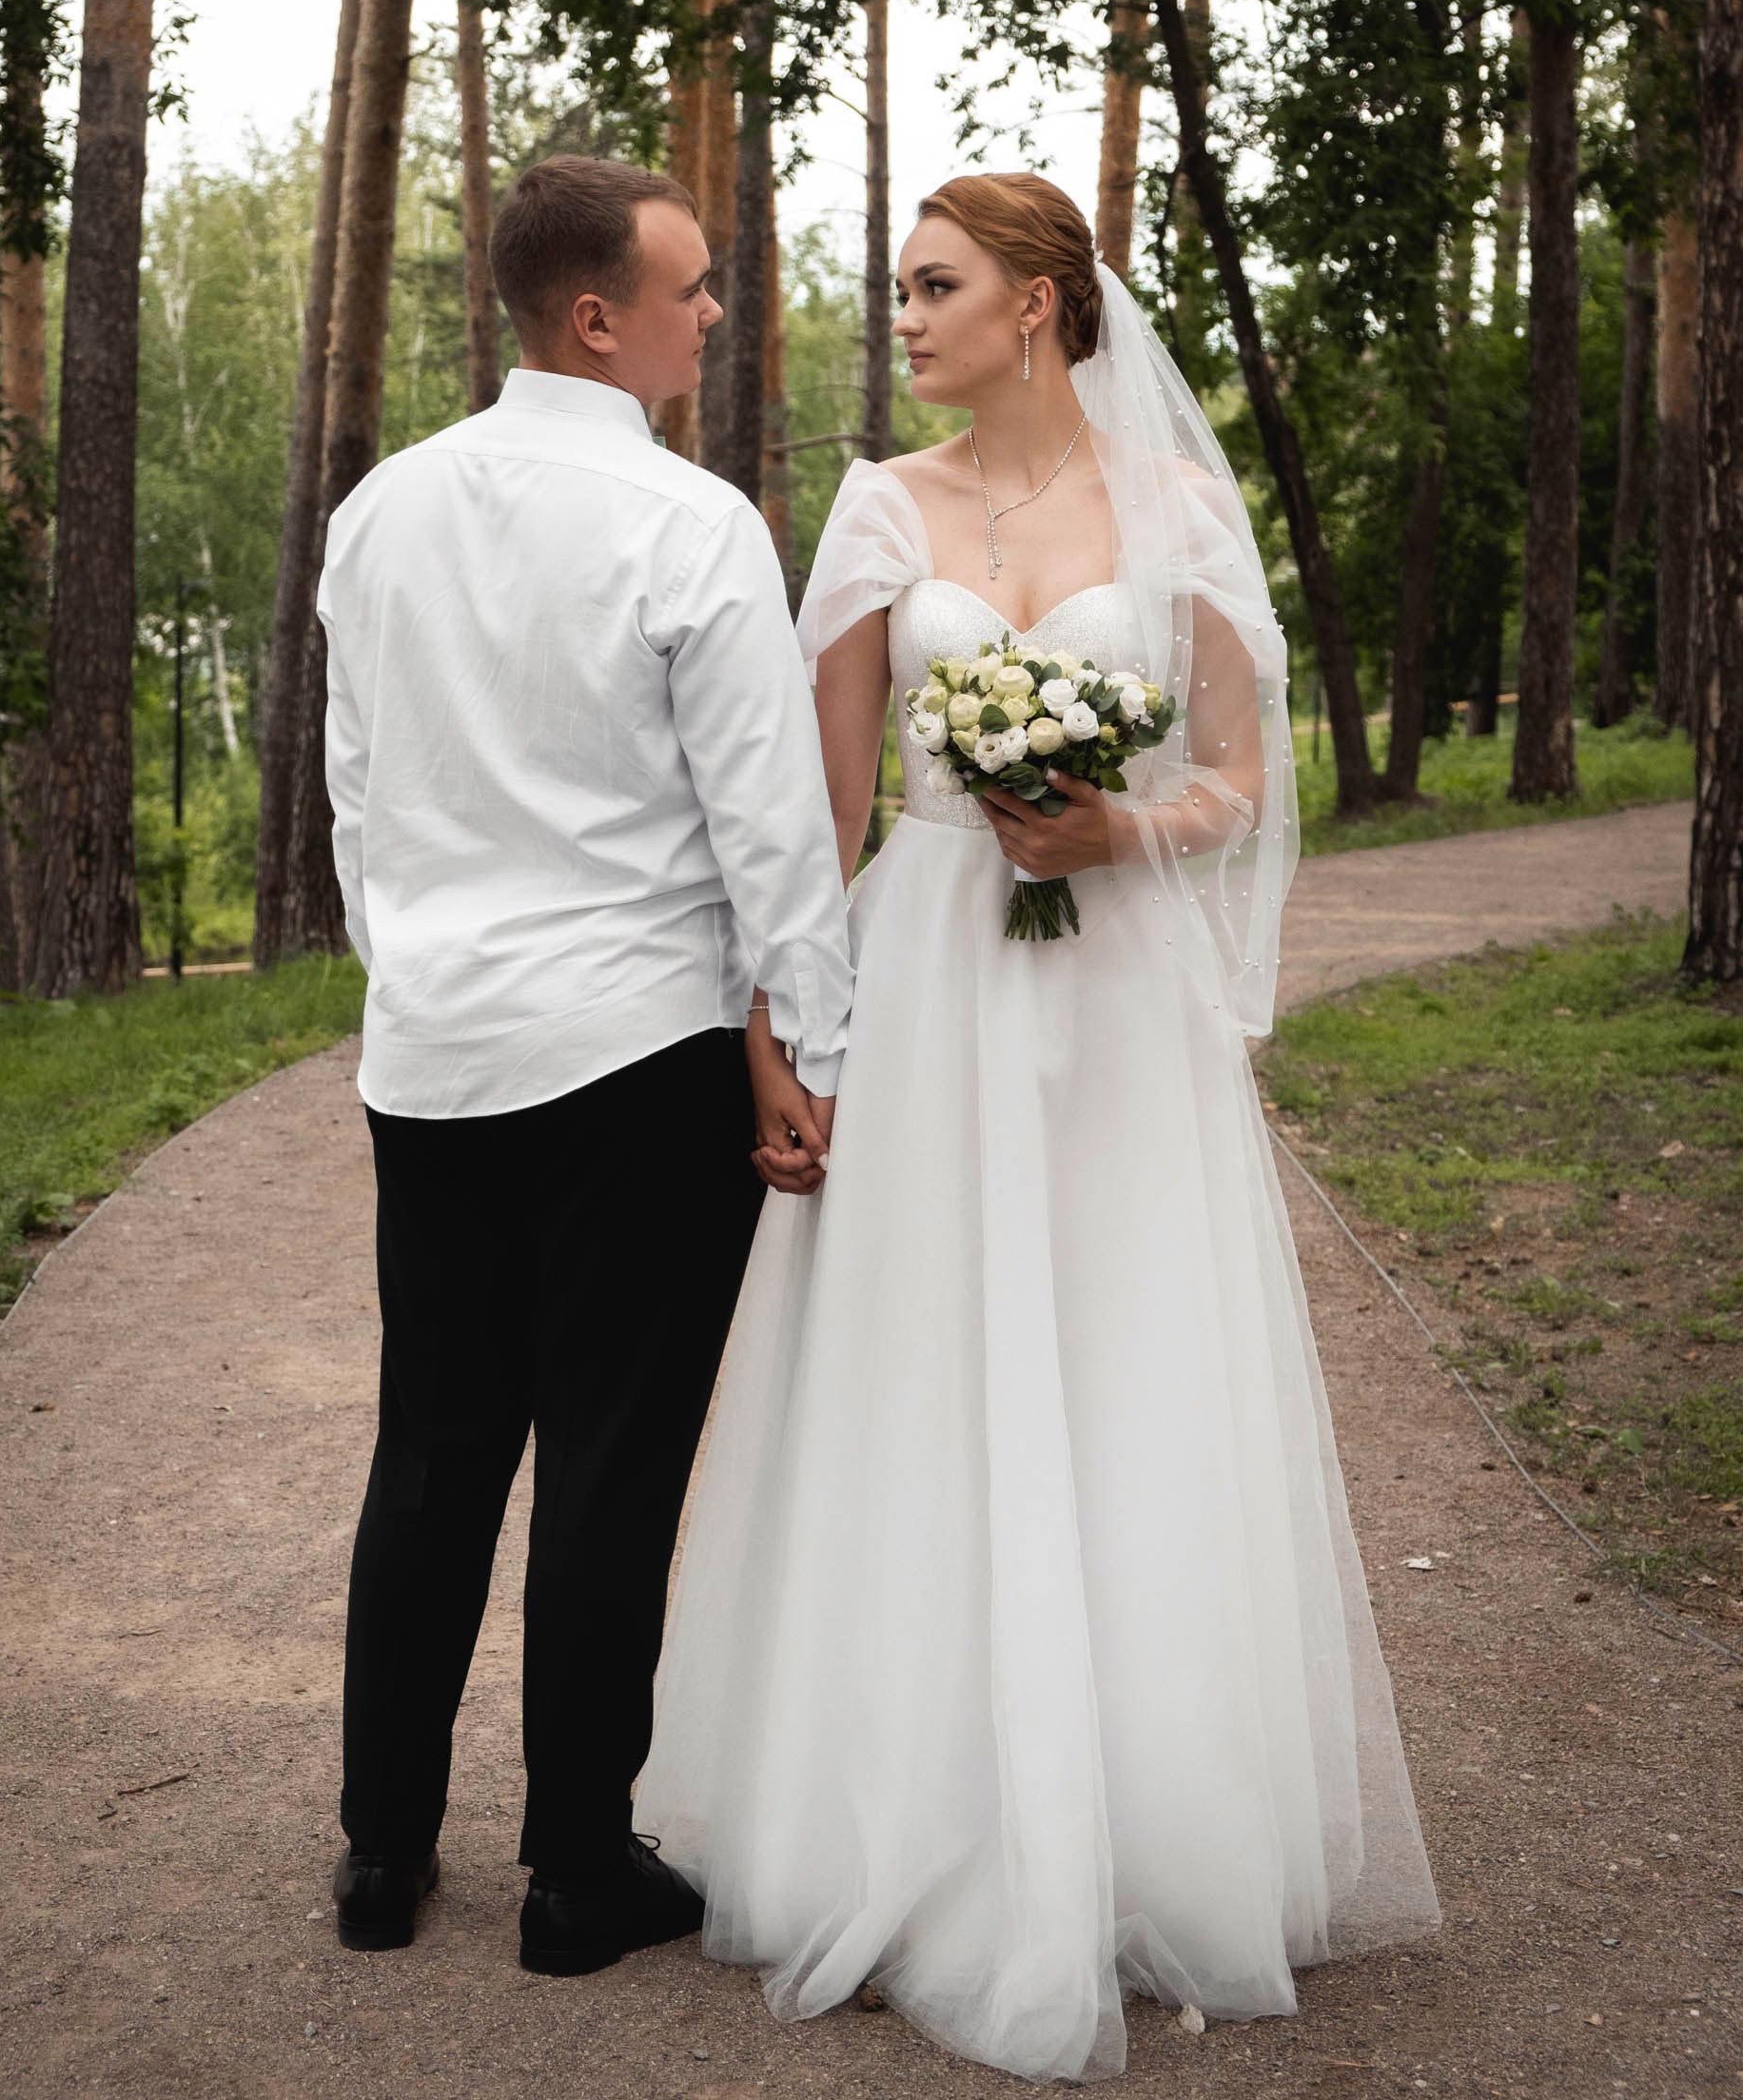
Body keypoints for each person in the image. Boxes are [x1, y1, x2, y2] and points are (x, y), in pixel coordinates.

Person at [636, 171, 1439, 2080]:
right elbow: (817, 817)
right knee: (916, 1368)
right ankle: (907, 1817)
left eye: (936, 286)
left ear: (1040, 302)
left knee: (1121, 1360)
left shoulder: (1175, 510)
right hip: (922, 974)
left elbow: (1239, 774)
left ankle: (1145, 1823)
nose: (905, 316)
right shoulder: (875, 509)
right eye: (903, 288)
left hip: (1114, 1002)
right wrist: (778, 1035)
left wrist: (1114, 830)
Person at [318, 155, 853, 1974]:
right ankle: (572, 1874)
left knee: (434, 1448)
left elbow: (359, 792)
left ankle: (382, 1855)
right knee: (612, 1467)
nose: (716, 314)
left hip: (436, 1052)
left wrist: (416, 978)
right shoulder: (692, 524)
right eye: (693, 289)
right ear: (597, 316)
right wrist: (812, 1048)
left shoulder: (382, 508)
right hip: (636, 1055)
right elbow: (769, 826)